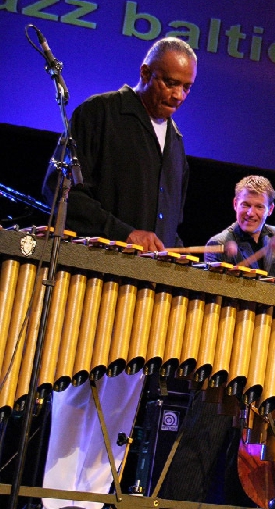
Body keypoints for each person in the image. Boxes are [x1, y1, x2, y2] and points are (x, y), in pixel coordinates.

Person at [41, 37, 197, 509]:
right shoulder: (98, 114)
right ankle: (53, 503)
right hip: (92, 283)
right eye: (169, 82)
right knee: (75, 396)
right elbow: (59, 191)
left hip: (141, 294)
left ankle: (88, 505)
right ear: (145, 71)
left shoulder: (178, 147)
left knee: (120, 409)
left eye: (187, 87)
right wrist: (122, 232)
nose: (177, 95)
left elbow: (170, 224)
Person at [155, 175, 275, 504]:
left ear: (271, 209)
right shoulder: (219, 243)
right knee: (201, 444)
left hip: (272, 358)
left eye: (258, 206)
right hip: (226, 357)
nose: (250, 212)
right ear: (235, 204)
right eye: (245, 204)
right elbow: (217, 301)